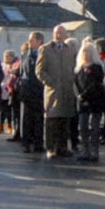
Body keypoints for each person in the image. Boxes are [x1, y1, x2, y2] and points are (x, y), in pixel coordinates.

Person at [40, 24, 79, 160]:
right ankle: (50, 148)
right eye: (57, 33)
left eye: (62, 33)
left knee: (65, 121)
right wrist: (51, 82)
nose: (59, 35)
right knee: (52, 121)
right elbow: (40, 71)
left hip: (67, 91)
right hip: (53, 92)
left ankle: (62, 147)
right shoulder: (45, 49)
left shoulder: (71, 50)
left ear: (66, 35)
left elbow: (76, 67)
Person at [74, 36, 105, 163]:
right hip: (82, 103)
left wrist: (84, 95)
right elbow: (75, 84)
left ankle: (94, 152)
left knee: (94, 127)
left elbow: (95, 84)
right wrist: (78, 95)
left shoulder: (97, 68)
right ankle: (85, 151)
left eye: (88, 51)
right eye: (83, 51)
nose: (85, 54)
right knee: (82, 127)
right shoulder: (78, 69)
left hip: (95, 101)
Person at [18, 32, 46, 153]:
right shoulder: (25, 54)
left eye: (32, 40)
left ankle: (38, 143)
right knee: (26, 119)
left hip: (39, 91)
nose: (29, 42)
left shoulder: (44, 54)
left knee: (39, 119)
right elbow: (23, 72)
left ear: (39, 41)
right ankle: (26, 143)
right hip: (27, 92)